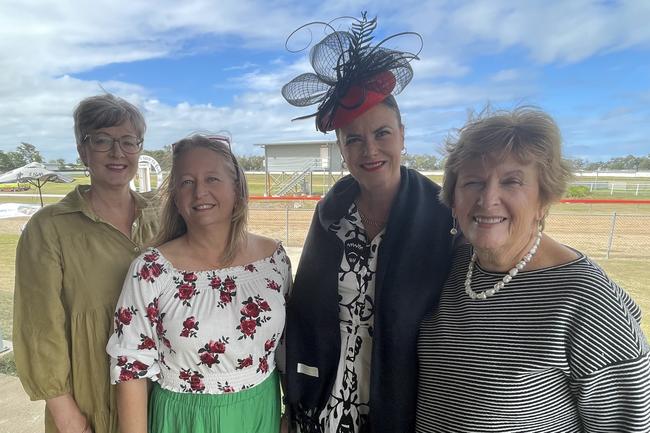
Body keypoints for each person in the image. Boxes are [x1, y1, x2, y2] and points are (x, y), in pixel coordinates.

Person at [416, 107, 650, 432]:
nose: (488, 198)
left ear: (543, 199)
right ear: (453, 199)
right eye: (473, 182)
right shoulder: (453, 264)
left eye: (511, 181)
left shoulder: (587, 299)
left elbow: (628, 424)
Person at [281, 14, 454, 433]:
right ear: (341, 148)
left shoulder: (442, 215)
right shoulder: (330, 217)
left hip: (404, 410)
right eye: (353, 139)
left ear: (402, 133)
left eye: (381, 134)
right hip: (324, 404)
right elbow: (304, 312)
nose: (369, 149)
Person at [106, 134, 291, 433]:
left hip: (261, 411)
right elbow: (131, 369)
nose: (200, 191)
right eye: (187, 182)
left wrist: (290, 414)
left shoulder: (274, 259)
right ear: (176, 197)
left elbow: (285, 345)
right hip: (186, 419)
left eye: (212, 179)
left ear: (237, 189)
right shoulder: (152, 270)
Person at [13, 94, 159, 433]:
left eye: (128, 142)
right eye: (103, 141)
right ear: (83, 150)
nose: (117, 153)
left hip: (161, 390)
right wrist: (64, 411)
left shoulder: (160, 220)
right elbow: (39, 326)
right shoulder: (50, 227)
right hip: (90, 391)